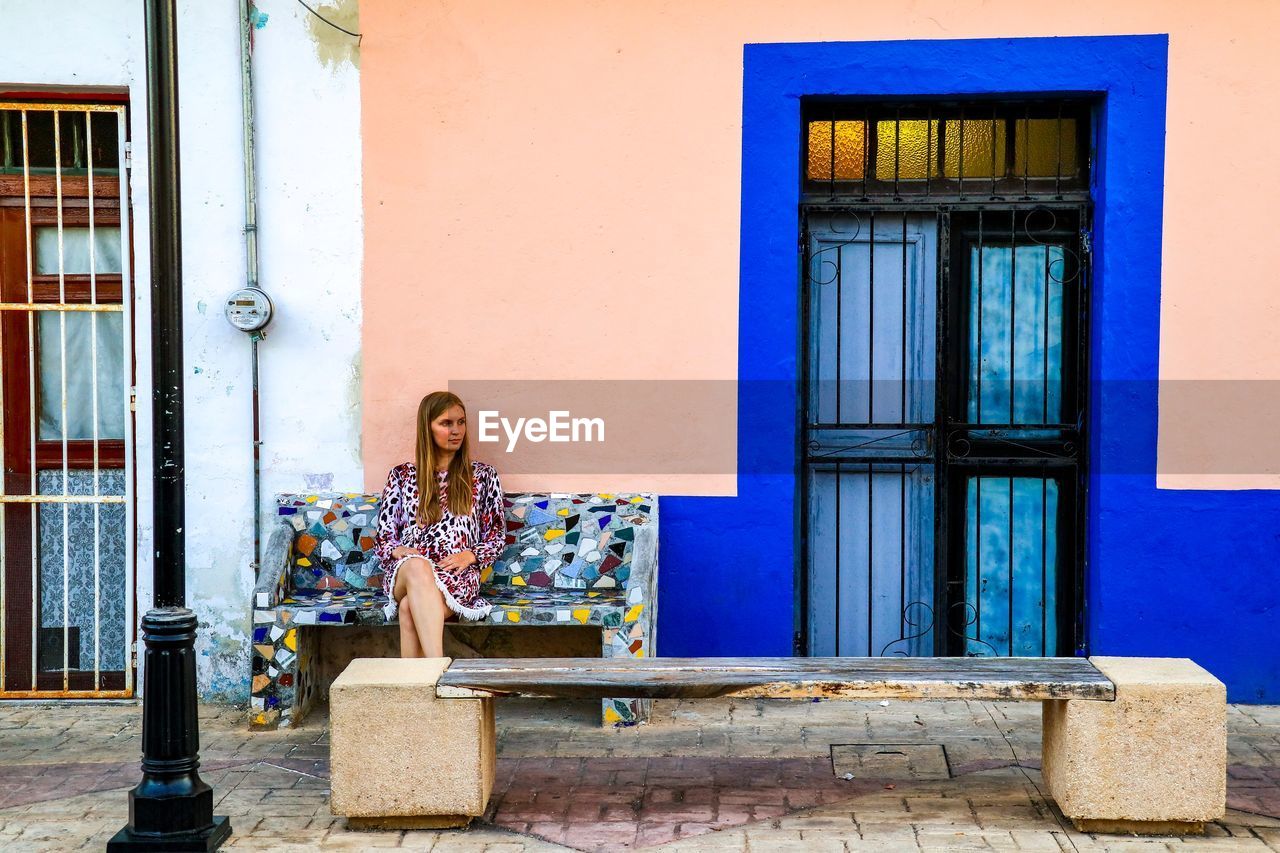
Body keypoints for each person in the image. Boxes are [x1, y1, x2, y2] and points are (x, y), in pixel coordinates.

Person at [374, 391, 505, 657]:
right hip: (407, 571)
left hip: (455, 576)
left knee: (409, 608)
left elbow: (496, 537)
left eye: (461, 422)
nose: (456, 430)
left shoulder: (482, 476)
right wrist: (397, 550)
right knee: (416, 567)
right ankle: (437, 667)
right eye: (446, 423)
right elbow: (384, 538)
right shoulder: (401, 476)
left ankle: (416, 689)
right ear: (427, 427)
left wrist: (471, 554)